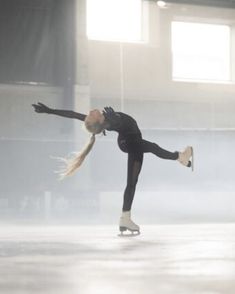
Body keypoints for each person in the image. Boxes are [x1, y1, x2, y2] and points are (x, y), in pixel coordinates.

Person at [32, 102, 193, 235]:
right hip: (131, 143)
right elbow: (115, 122)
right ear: (98, 121)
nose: (88, 112)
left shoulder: (104, 119)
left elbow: (73, 114)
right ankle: (180, 158)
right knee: (139, 170)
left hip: (127, 141)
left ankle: (181, 158)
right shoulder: (108, 121)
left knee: (152, 148)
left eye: (88, 114)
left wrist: (50, 110)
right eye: (90, 115)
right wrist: (115, 118)